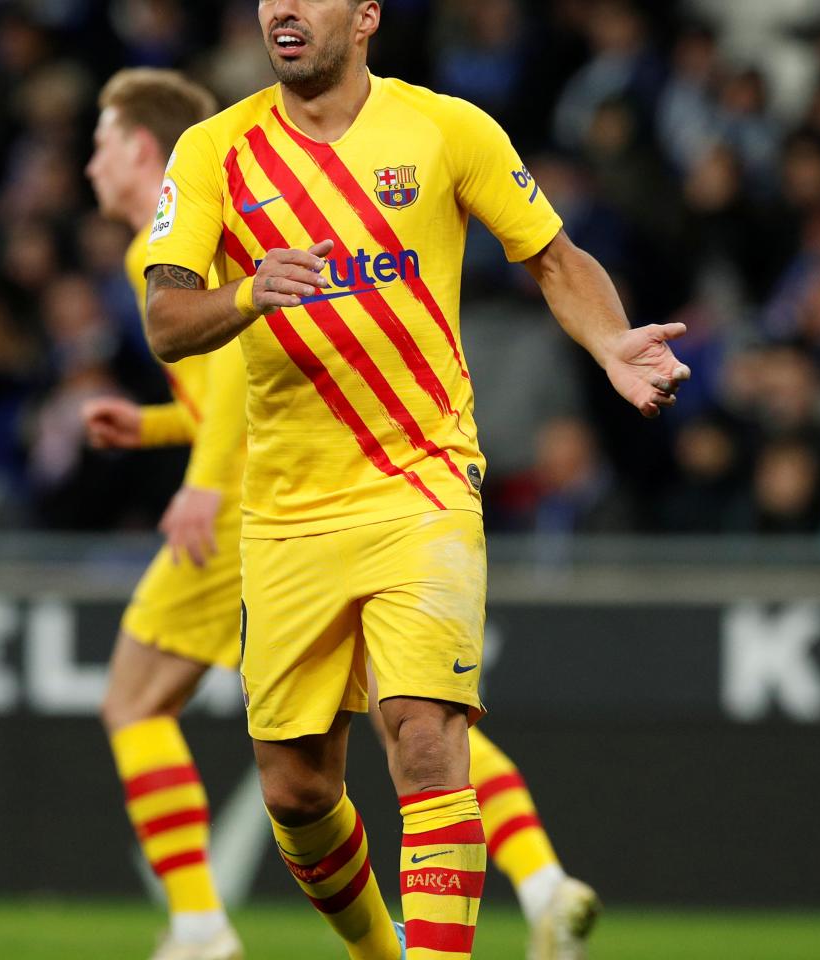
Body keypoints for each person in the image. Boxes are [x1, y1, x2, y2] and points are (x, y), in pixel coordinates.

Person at [142, 2, 690, 958]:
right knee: (296, 790)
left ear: (364, 17)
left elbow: (552, 257)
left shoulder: (447, 128)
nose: (281, 8)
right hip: (286, 513)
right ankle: (377, 950)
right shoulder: (211, 152)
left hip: (422, 484)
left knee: (425, 741)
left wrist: (611, 342)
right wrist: (244, 292)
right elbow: (164, 320)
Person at [79, 68, 246, 960]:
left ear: (143, 150)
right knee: (405, 716)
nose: (89, 165)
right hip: (304, 495)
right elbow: (225, 395)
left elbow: (237, 407)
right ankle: (540, 883)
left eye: (102, 143)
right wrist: (144, 426)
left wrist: (202, 486)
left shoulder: (164, 251)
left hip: (246, 509)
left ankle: (198, 925)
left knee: (133, 704)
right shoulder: (217, 226)